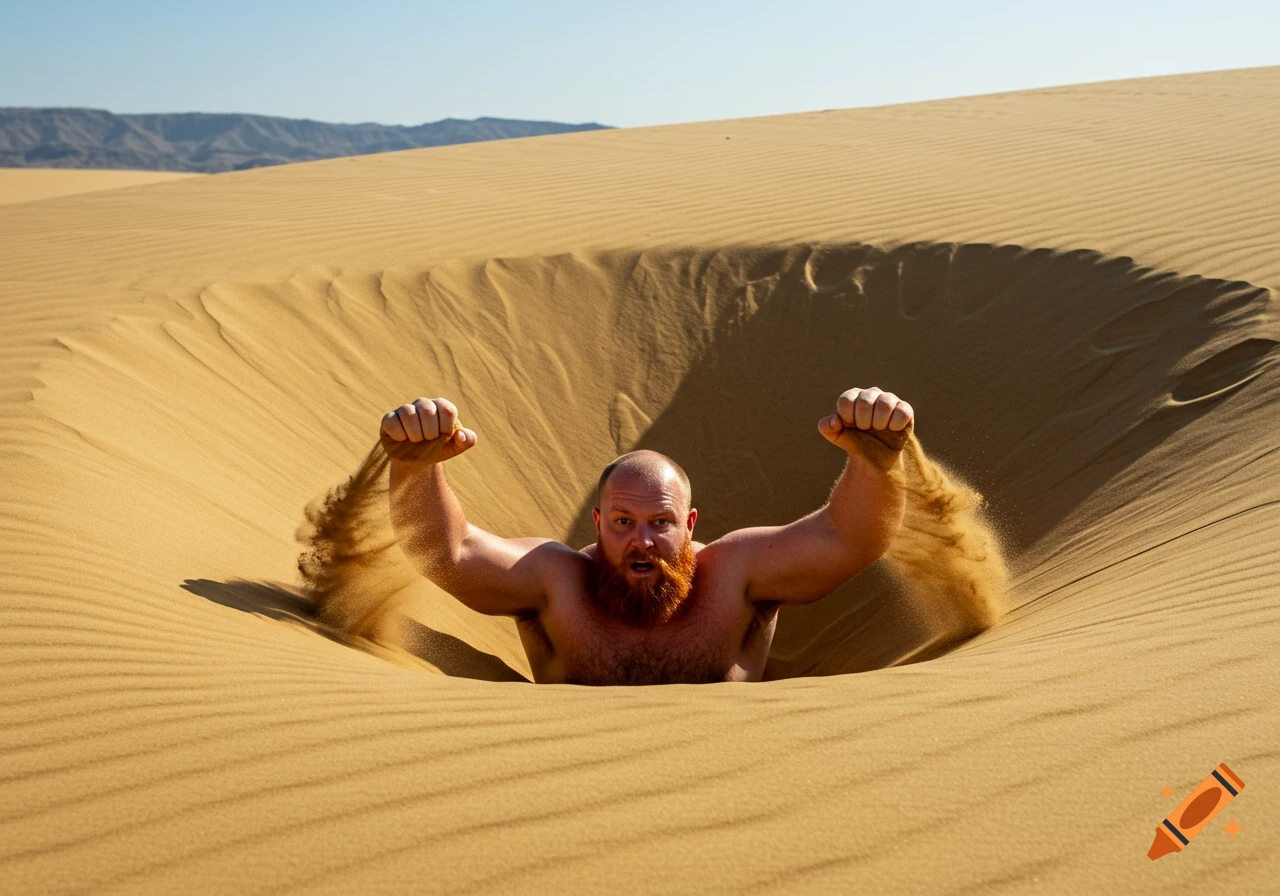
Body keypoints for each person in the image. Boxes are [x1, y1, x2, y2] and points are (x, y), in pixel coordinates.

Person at [380, 388, 914, 684]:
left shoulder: (734, 575)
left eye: (661, 522)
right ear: (597, 524)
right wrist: (415, 466)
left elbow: (848, 539)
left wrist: (876, 459)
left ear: (690, 525)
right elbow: (449, 552)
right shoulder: (555, 581)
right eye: (623, 523)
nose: (643, 541)